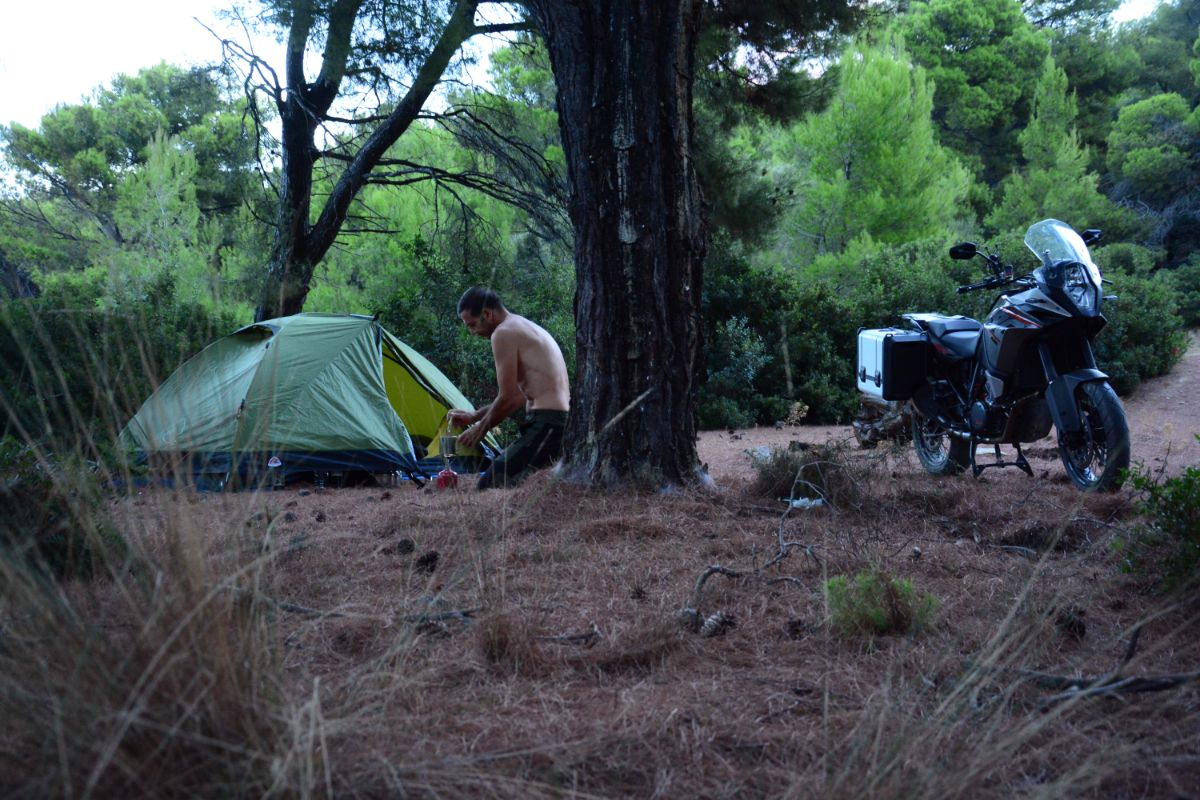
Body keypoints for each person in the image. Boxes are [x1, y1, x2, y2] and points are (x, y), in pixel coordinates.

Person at [449, 287, 570, 489]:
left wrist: (481, 428)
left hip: (548, 424)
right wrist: (475, 416)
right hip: (559, 422)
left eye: (472, 325)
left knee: (491, 484)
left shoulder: (503, 333)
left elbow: (509, 398)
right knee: (523, 481)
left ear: (487, 314)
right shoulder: (522, 326)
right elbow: (520, 396)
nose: (472, 332)